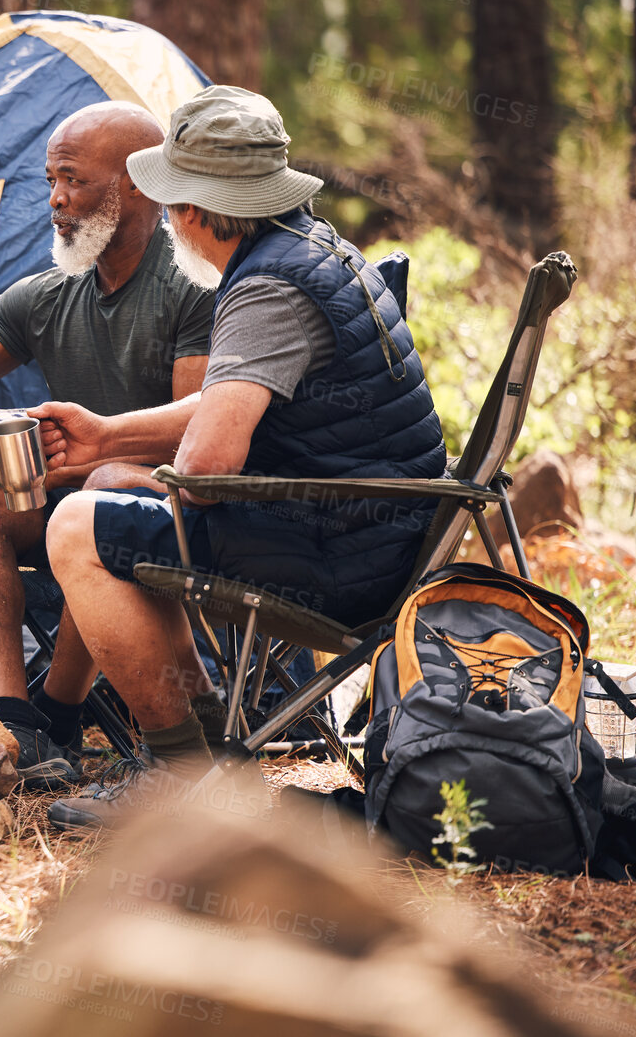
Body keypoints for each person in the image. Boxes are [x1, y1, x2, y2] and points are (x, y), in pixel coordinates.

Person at [32, 86, 447, 829]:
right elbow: (242, 398)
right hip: (375, 530)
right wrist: (106, 437)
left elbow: (205, 465)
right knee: (116, 489)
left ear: (193, 209)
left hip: (335, 555)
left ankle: (183, 774)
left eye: (168, 203)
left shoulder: (264, 290)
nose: (165, 220)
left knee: (74, 527)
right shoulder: (312, 248)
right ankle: (204, 754)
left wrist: (150, 474)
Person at [0, 102, 216, 786]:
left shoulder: (191, 286)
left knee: (105, 488)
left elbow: (195, 432)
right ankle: (14, 725)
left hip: (175, 509)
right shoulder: (47, 294)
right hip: (78, 494)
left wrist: (92, 456)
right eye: (49, 180)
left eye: (72, 180)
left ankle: (59, 705)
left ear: (136, 186)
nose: (56, 200)